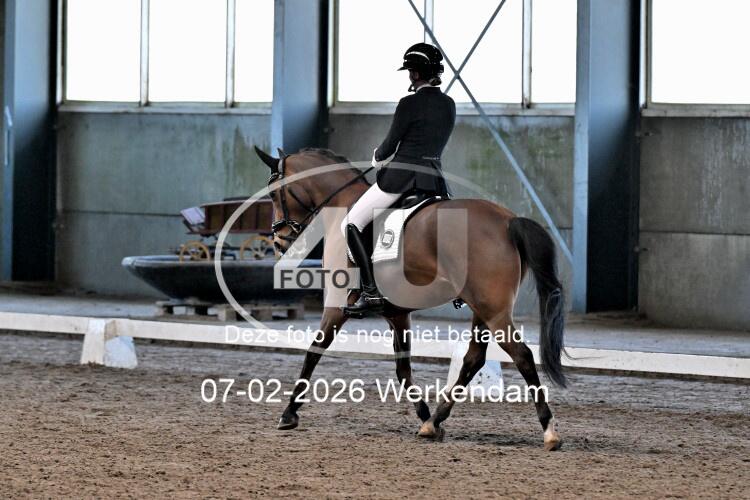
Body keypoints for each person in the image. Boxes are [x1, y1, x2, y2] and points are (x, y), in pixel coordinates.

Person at [342, 42, 457, 317]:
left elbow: (389, 145)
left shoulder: (409, 103)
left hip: (402, 178)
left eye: (410, 72)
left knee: (351, 223)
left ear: (415, 74)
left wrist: (377, 158)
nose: (409, 76)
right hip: (434, 180)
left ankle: (369, 291)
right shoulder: (449, 104)